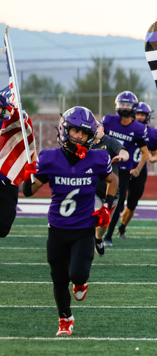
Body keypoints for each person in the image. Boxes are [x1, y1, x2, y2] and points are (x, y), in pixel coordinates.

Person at [21, 107, 118, 336]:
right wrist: (26, 178)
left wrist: (107, 206)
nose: (80, 137)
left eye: (84, 133)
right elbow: (29, 191)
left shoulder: (97, 158)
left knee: (78, 274)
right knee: (58, 278)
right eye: (75, 131)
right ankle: (65, 318)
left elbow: (112, 180)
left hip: (84, 228)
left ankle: (81, 282)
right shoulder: (49, 158)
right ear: (66, 130)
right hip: (57, 228)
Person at [100, 91, 150, 247]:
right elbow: (98, 138)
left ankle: (108, 236)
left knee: (118, 202)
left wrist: (138, 169)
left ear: (134, 107)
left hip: (122, 170)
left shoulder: (138, 128)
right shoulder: (108, 121)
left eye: (128, 104)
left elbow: (145, 153)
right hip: (104, 166)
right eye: (122, 104)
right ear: (117, 105)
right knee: (97, 196)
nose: (125, 107)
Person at [115, 102, 157, 238]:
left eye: (143, 115)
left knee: (132, 203)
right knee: (117, 201)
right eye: (138, 114)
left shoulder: (152, 134)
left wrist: (152, 159)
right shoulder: (128, 128)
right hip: (123, 169)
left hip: (139, 172)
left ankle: (122, 227)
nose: (140, 117)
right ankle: (108, 227)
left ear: (148, 116)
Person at [0, 89, 36, 238]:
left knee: (3, 226)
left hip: (7, 182)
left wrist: (21, 120)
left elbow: (24, 142)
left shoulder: (10, 126)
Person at [90, 123, 129, 254]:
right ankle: (85, 242)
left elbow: (124, 151)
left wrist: (122, 157)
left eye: (97, 126)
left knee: (103, 222)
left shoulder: (110, 141)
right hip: (93, 189)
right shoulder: (86, 143)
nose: (95, 129)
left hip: (111, 191)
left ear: (102, 128)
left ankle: (98, 238)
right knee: (94, 213)